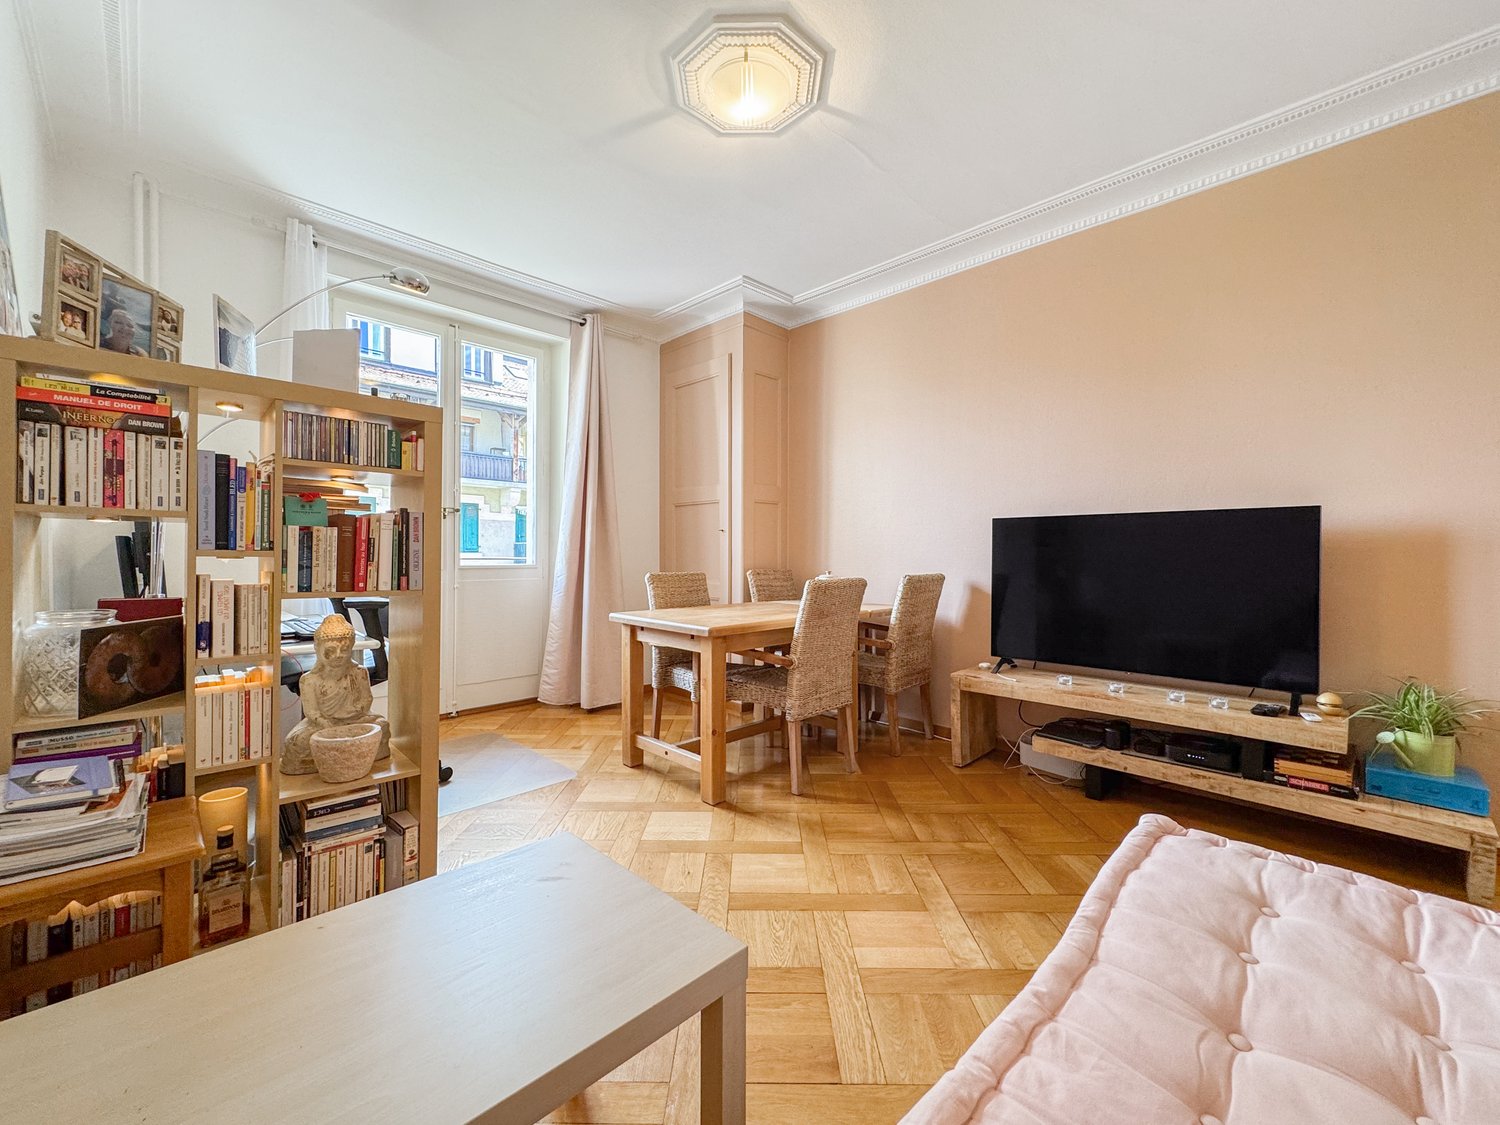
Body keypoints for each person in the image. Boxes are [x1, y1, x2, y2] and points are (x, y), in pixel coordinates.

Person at [281, 614, 391, 775]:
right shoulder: (310, 680)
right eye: (331, 651)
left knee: (382, 725)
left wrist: (353, 711)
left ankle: (344, 756)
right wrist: (326, 723)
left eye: (344, 650)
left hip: (355, 720)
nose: (338, 655)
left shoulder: (359, 672)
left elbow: (366, 700)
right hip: (324, 724)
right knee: (296, 741)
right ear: (318, 649)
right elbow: (312, 712)